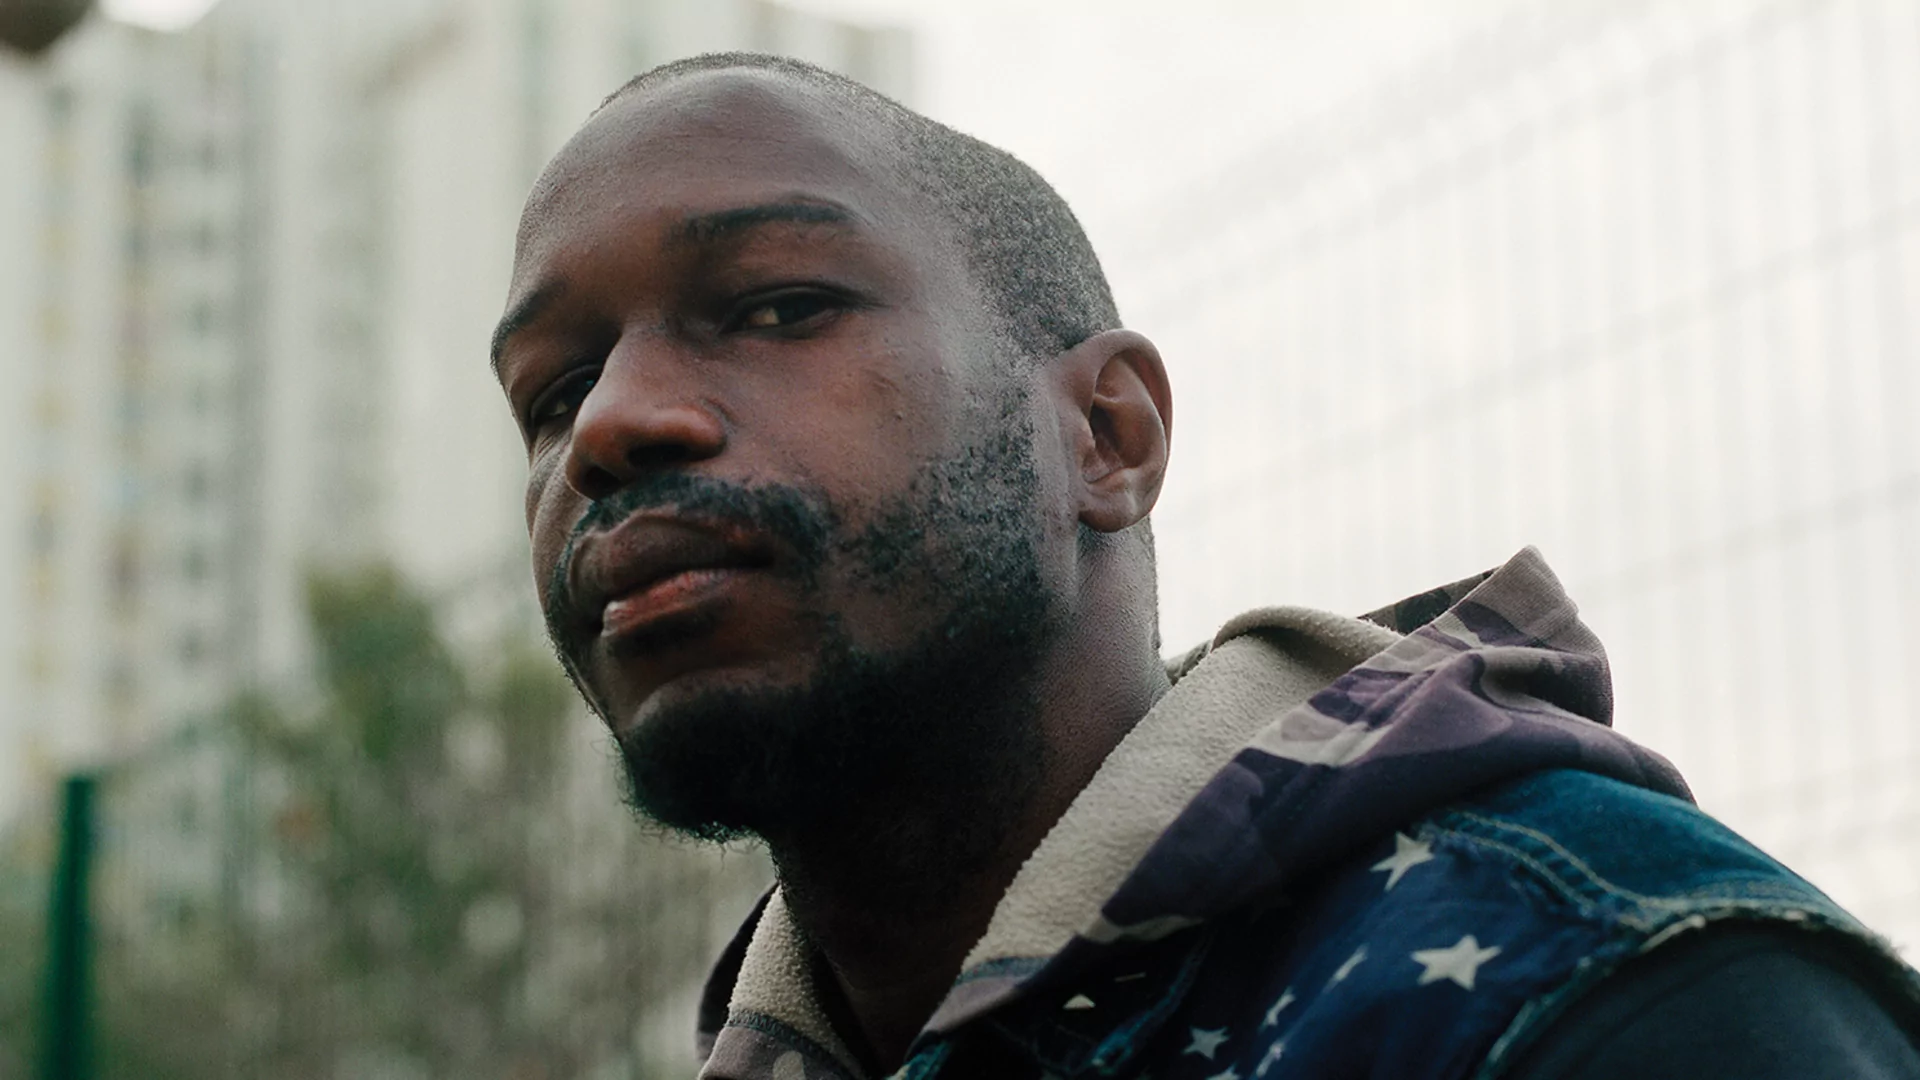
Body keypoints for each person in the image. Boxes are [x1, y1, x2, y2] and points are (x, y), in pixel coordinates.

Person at [491, 52, 1920, 1080]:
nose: (613, 425)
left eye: (778, 306)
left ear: (1107, 434)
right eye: (553, 393)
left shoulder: (1592, 989)